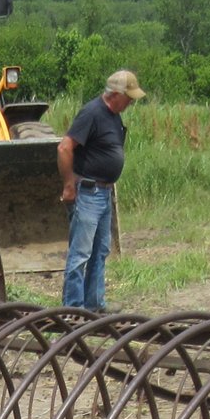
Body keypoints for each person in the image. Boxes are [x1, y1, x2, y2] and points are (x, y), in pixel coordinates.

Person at [58, 70, 145, 314]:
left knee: (100, 251)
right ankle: (73, 310)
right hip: (88, 192)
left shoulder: (114, 116)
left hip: (104, 193)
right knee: (81, 254)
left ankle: (94, 304)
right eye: (129, 97)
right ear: (115, 94)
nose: (131, 102)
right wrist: (68, 185)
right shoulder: (92, 113)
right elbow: (64, 148)